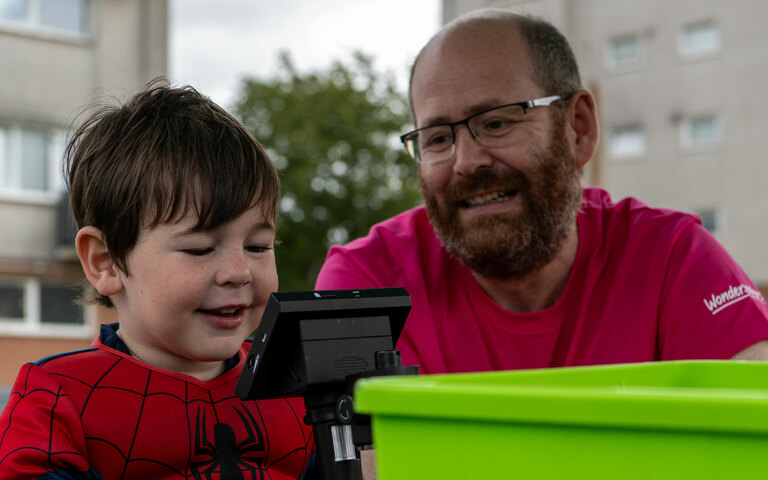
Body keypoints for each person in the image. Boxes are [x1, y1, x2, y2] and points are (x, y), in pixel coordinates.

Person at [315, 9, 768, 374]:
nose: (466, 161)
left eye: (496, 122)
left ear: (578, 128)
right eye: (437, 138)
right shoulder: (368, 285)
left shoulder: (673, 258)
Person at [0, 80, 315, 479]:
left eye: (258, 246)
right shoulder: (55, 397)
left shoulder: (296, 384)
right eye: (199, 249)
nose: (239, 272)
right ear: (107, 262)